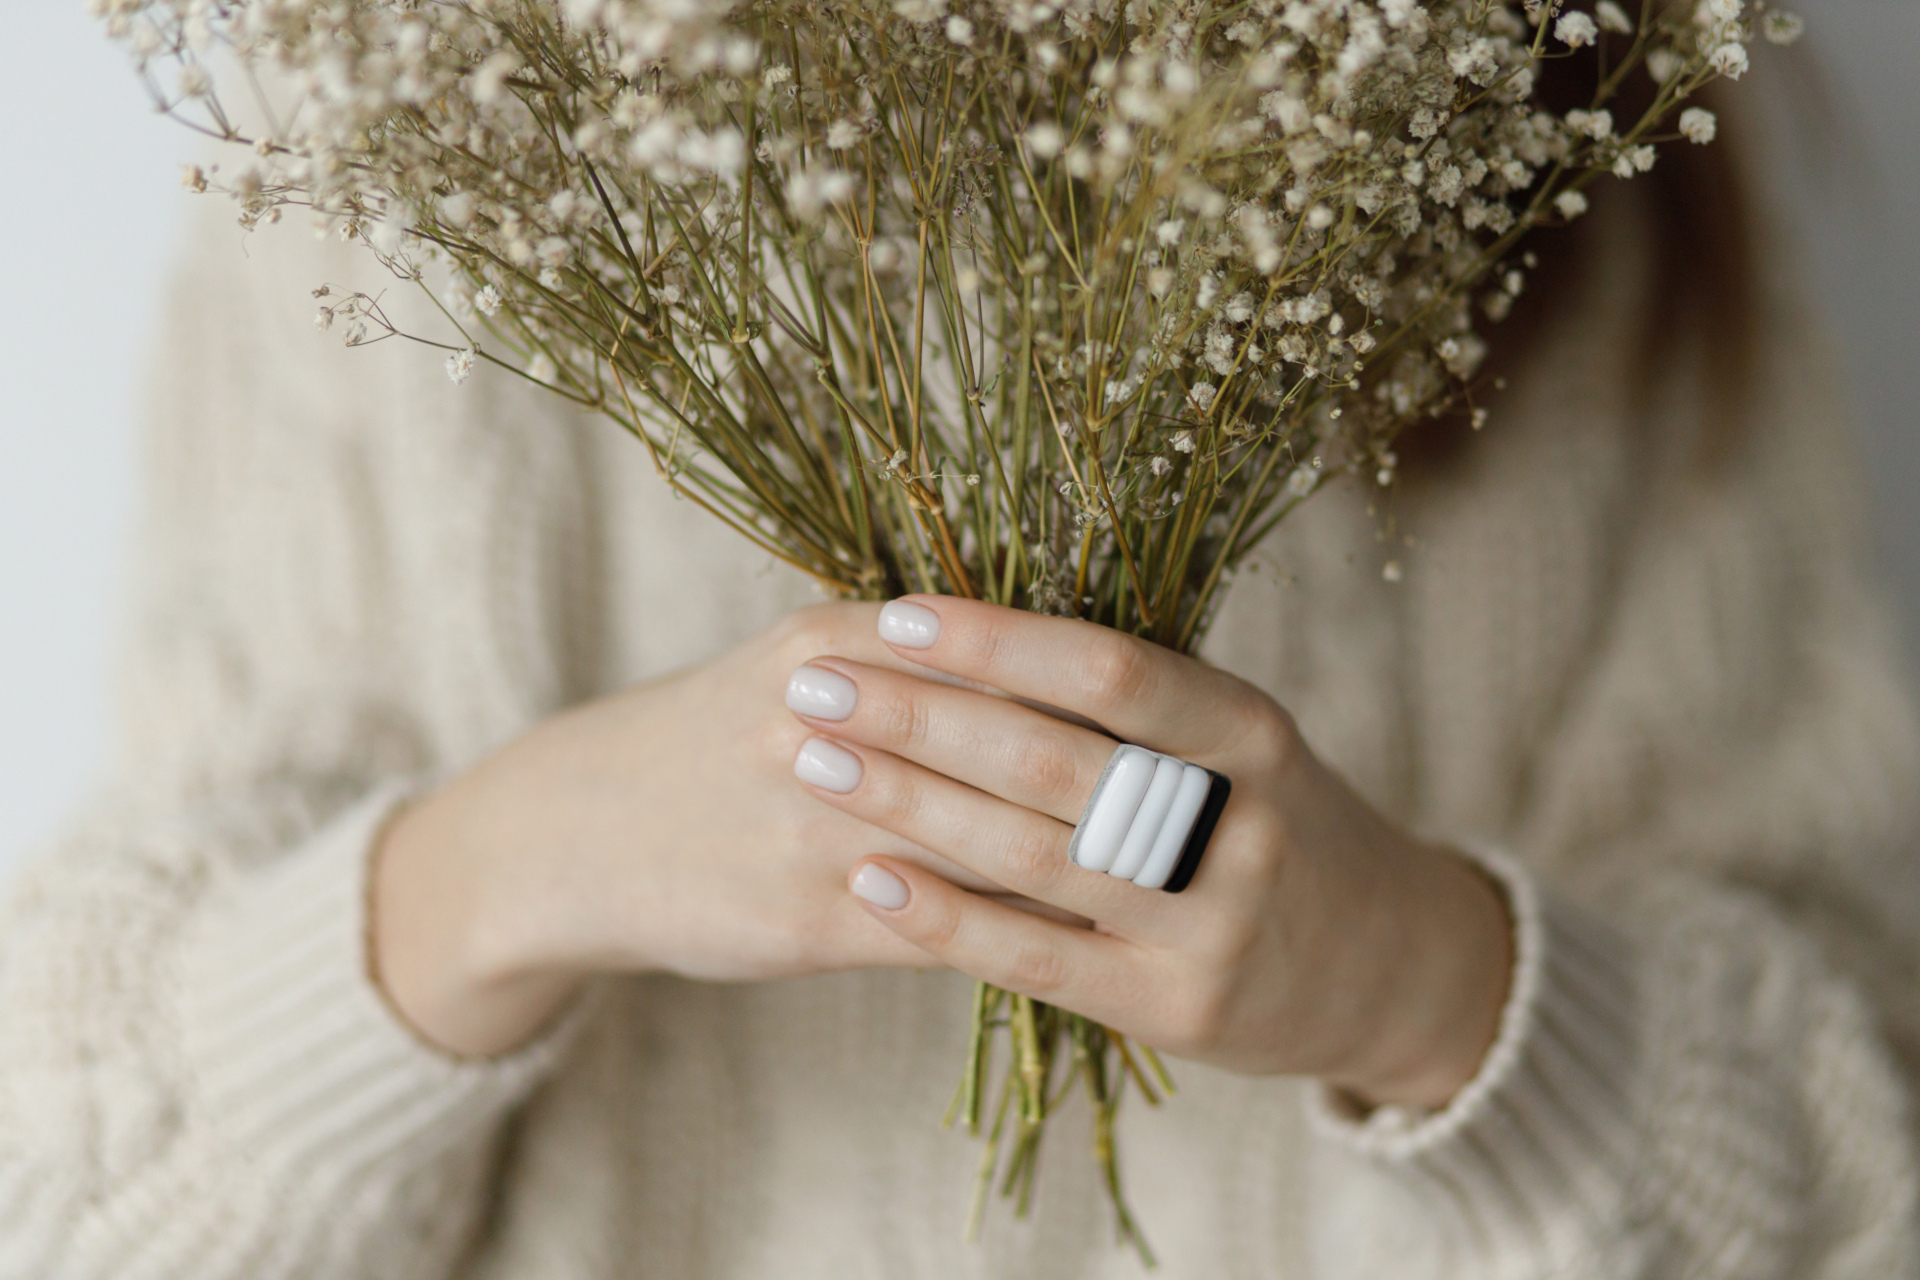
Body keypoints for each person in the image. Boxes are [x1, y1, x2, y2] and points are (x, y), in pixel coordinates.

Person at [3, 71, 1918, 1279]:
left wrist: (1424, 988)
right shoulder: (410, 121)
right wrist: (523, 864)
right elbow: (72, 1197)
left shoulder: (1554, 139)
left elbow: (1864, 1159)